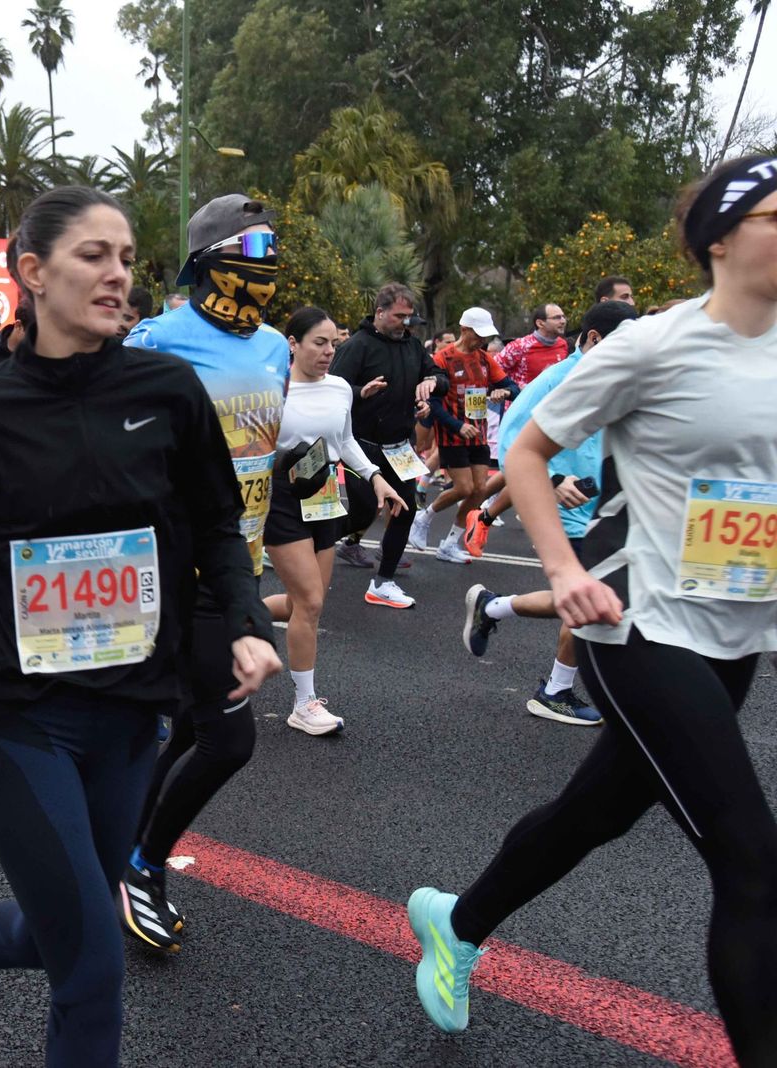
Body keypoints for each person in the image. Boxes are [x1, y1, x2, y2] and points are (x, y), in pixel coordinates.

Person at [0, 186, 279, 1062]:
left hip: (134, 712)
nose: (118, 276)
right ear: (33, 271)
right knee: (93, 970)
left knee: (63, 927)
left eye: (129, 259)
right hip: (18, 716)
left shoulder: (168, 391)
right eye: (94, 256)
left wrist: (249, 622)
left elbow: (219, 522)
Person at [409, 154, 777, 1065]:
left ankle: (459, 922)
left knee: (596, 812)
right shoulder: (653, 344)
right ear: (721, 238)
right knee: (752, 862)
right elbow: (527, 450)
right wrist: (564, 569)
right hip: (638, 624)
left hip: (735, 632)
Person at [114, 193, 289, 952]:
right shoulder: (158, 341)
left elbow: (265, 449)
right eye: (252, 253)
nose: (267, 268)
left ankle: (123, 849)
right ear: (208, 259)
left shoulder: (276, 346)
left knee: (188, 724)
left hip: (236, 559)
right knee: (229, 741)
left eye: (274, 254)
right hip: (172, 570)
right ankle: (144, 866)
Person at [462, 300, 639, 726]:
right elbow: (512, 435)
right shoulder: (561, 377)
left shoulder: (612, 378)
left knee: (590, 597)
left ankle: (492, 608)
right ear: (595, 339)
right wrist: (555, 478)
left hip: (605, 505)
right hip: (571, 510)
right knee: (591, 596)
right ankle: (555, 690)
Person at [267, 307, 407, 735]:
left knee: (303, 603)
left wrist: (377, 479)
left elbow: (343, 440)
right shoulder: (274, 388)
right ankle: (304, 704)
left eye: (333, 343)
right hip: (281, 498)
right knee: (308, 602)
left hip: (325, 495)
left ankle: (234, 619)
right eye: (319, 342)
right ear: (293, 344)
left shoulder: (341, 388)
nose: (329, 351)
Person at [329, 283, 448, 607]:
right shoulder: (358, 346)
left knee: (405, 508)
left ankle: (383, 582)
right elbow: (330, 390)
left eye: (410, 317)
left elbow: (439, 376)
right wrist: (359, 392)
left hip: (400, 447)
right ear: (379, 313)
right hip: (361, 446)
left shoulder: (412, 346)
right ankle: (308, 539)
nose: (406, 323)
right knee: (364, 511)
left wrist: (431, 384)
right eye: (399, 316)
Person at [406, 308, 518, 563]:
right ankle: (424, 518)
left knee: (479, 490)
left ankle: (450, 543)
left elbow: (512, 387)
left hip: (477, 433)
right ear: (464, 330)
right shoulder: (442, 358)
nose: (483, 341)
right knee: (464, 487)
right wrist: (456, 426)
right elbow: (431, 402)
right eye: (478, 335)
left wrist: (505, 393)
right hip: (452, 434)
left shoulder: (484, 358)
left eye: (486, 336)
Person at [460, 303, 571, 556]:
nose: (563, 321)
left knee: (520, 471)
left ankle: (477, 508)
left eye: (564, 316)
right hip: (522, 415)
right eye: (557, 317)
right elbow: (492, 370)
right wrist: (500, 391)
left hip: (553, 415)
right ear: (540, 323)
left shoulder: (564, 346)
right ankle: (476, 507)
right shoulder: (520, 346)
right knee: (530, 469)